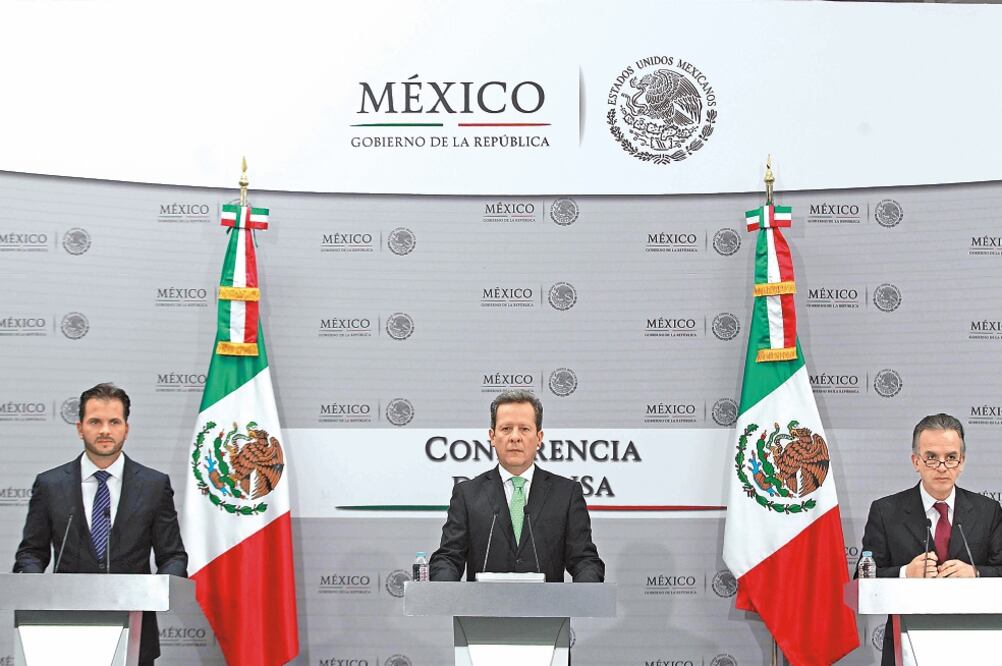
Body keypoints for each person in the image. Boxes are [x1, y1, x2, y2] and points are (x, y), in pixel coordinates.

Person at [13, 383, 188, 666]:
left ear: (126, 429)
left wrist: (160, 588)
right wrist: (32, 587)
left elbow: (173, 556)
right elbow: (31, 553)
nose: (105, 430)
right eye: (95, 421)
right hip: (62, 629)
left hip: (135, 629)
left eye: (114, 422)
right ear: (80, 428)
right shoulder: (50, 484)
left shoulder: (154, 485)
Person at [861, 413, 1002, 665]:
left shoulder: (988, 510)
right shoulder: (886, 511)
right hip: (905, 645)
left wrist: (976, 574)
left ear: (962, 462)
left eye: (950, 458)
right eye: (931, 457)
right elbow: (860, 584)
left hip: (975, 644)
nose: (941, 467)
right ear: (915, 461)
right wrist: (905, 573)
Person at [430, 389, 604, 582]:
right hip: (482, 609)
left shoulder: (566, 494)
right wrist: (442, 587)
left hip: (547, 609)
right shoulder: (467, 494)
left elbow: (583, 560)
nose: (515, 437)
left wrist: (588, 587)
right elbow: (448, 557)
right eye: (506, 429)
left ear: (539, 438)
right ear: (492, 437)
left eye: (524, 429)